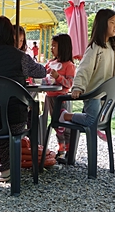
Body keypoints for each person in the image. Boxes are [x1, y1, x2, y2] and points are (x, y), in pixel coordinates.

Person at [0, 16, 46, 182]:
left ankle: (3, 167)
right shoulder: (21, 57)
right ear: (9, 34)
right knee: (10, 119)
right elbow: (41, 72)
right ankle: (8, 167)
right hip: (13, 118)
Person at [59, 8, 115, 142]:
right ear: (103, 24)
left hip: (105, 94)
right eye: (112, 23)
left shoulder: (112, 48)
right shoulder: (94, 48)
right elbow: (84, 69)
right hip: (94, 93)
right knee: (90, 120)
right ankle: (66, 115)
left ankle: (100, 121)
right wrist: (78, 87)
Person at [44, 34, 75, 163]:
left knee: (64, 126)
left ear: (63, 47)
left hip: (61, 99)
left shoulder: (69, 65)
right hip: (49, 98)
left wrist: (58, 77)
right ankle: (61, 150)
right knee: (57, 126)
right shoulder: (50, 63)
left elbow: (69, 84)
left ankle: (67, 151)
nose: (51, 48)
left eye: (54, 46)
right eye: (51, 45)